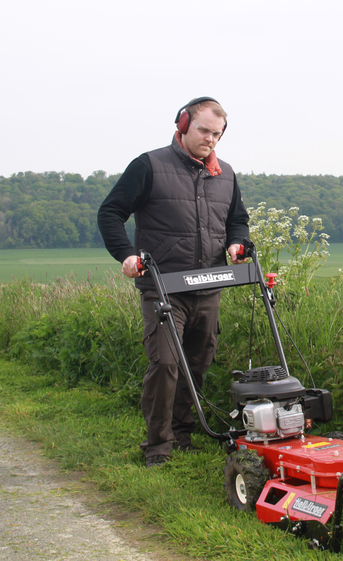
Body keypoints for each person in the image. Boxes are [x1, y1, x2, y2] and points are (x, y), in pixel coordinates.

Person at [97, 97, 249, 468]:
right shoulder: (149, 166)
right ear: (182, 125)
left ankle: (182, 435)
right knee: (166, 363)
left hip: (208, 285)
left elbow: (237, 220)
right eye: (203, 130)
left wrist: (237, 243)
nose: (210, 139)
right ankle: (157, 446)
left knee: (196, 363)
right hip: (163, 286)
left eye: (217, 134)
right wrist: (127, 255)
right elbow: (111, 212)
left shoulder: (225, 174)